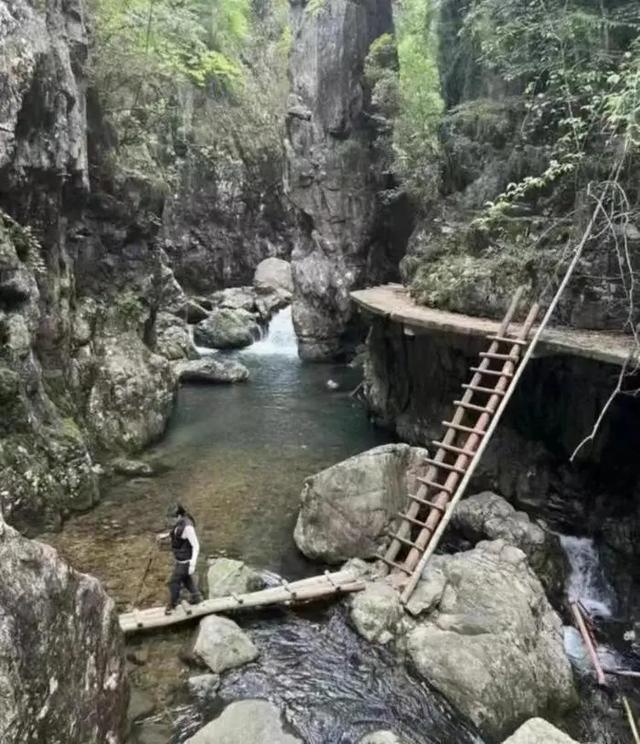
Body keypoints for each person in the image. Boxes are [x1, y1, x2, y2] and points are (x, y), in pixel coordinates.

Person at [157, 503, 202, 614]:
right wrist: (165, 536)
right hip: (180, 559)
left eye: (171, 519)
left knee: (174, 582)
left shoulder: (188, 527)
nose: (170, 522)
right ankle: (196, 596)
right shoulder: (180, 523)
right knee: (186, 579)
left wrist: (192, 564)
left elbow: (196, 545)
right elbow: (175, 532)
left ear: (178, 516)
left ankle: (172, 605)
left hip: (186, 561)